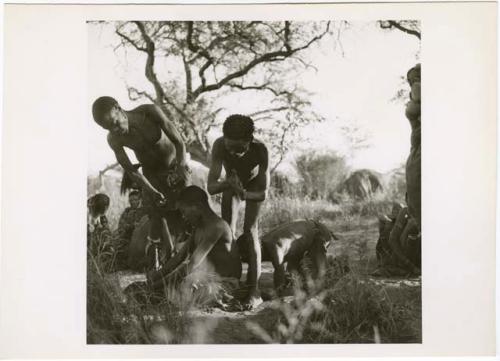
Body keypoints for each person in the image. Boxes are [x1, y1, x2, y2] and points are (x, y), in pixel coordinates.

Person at [92, 97, 190, 265]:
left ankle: (192, 256)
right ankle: (161, 259)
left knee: (186, 211)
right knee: (156, 214)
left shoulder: (149, 112)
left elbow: (179, 141)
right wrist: (151, 190)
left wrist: (180, 167)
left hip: (175, 165)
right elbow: (131, 171)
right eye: (108, 128)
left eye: (115, 123)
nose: (115, 130)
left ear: (118, 108)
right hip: (151, 173)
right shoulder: (114, 140)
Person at [207, 114, 270, 309]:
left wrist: (244, 193)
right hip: (231, 184)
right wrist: (229, 183)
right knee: (228, 233)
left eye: (239, 149)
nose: (233, 154)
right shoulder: (218, 145)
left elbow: (262, 193)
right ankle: (232, 284)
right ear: (224, 139)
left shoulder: (260, 149)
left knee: (251, 232)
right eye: (230, 148)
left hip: (253, 186)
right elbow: (211, 186)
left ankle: (254, 290)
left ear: (250, 141)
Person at [146, 186, 242, 292]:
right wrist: (156, 276)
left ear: (198, 207)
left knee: (188, 283)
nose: (183, 216)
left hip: (226, 282)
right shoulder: (198, 227)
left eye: (184, 211)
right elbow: (179, 257)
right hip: (208, 278)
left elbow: (191, 265)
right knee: (182, 282)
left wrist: (156, 285)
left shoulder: (216, 227)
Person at [237, 220, 336, 295]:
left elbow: (279, 273)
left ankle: (336, 269)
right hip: (302, 239)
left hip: (318, 234)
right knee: (293, 275)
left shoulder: (274, 246)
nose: (248, 260)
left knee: (319, 276)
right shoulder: (263, 243)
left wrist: (276, 293)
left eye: (248, 256)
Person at [405, 64, 421, 231]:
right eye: (410, 80)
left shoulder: (419, 89)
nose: (412, 83)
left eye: (415, 78)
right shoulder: (416, 92)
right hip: (416, 146)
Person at [114, 190, 146, 270]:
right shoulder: (127, 211)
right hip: (127, 238)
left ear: (140, 200)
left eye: (135, 200)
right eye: (131, 200)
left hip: (141, 240)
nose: (133, 202)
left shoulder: (145, 211)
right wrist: (131, 226)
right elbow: (121, 226)